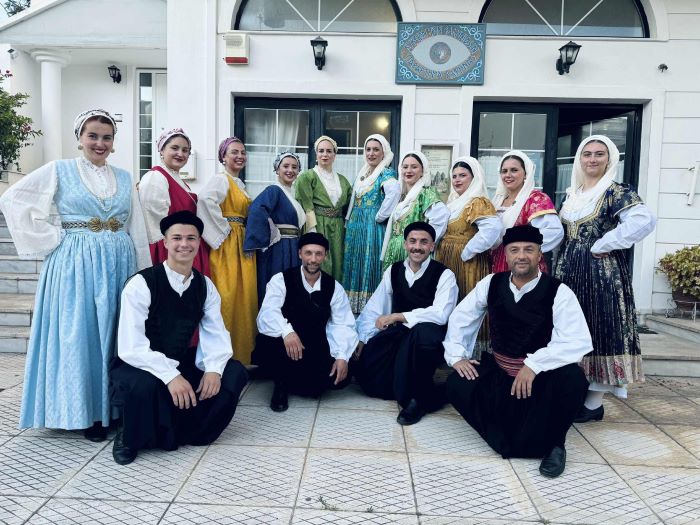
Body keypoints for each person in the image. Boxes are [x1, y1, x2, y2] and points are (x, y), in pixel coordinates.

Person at [0, 109, 150, 440]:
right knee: (81, 333)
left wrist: (143, 274)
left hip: (119, 261)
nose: (100, 143)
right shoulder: (59, 169)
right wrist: (52, 237)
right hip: (75, 265)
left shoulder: (126, 177)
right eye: (92, 136)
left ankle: (113, 408)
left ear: (114, 142)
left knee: (115, 331)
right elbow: (13, 199)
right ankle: (85, 412)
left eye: (107, 137)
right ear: (79, 138)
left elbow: (136, 227)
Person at [444, 224, 591, 478]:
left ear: (539, 255)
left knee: (573, 379)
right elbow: (461, 318)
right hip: (501, 374)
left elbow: (576, 340)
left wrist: (534, 365)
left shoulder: (558, 291)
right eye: (514, 250)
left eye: (528, 249)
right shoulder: (491, 283)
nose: (521, 256)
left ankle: (555, 444)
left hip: (539, 379)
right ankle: (508, 432)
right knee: (456, 382)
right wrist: (457, 356)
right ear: (506, 255)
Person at [110, 211, 248, 465]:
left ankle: (193, 430)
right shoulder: (141, 283)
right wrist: (171, 375)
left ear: (198, 242)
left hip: (179, 359)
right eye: (177, 238)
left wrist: (214, 370)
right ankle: (129, 435)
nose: (184, 244)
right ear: (165, 242)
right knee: (144, 385)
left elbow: (216, 334)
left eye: (191, 238)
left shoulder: (205, 286)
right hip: (140, 363)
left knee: (234, 371)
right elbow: (131, 346)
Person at [554, 135, 656, 422]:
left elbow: (643, 220)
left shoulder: (616, 191)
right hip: (569, 272)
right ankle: (576, 392)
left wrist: (605, 243)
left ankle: (593, 404)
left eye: (599, 154)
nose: (592, 159)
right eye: (587, 154)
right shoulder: (572, 195)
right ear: (579, 159)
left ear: (610, 159)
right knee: (572, 328)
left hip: (601, 274)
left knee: (600, 328)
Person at [355, 222, 458, 425]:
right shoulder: (393, 271)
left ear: (432, 246)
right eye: (413, 241)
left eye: (423, 242)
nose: (417, 247)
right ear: (405, 244)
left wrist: (398, 316)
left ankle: (418, 400)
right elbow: (376, 306)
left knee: (422, 334)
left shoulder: (444, 274)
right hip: (400, 334)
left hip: (429, 339)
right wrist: (363, 337)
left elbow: (441, 313)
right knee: (370, 378)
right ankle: (434, 392)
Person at [252, 232, 358, 412]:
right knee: (269, 342)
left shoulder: (334, 287)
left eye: (318, 254)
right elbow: (268, 312)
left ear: (325, 256)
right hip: (285, 343)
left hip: (314, 344)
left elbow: (342, 324)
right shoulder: (281, 280)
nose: (313, 259)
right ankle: (280, 386)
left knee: (337, 380)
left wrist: (341, 356)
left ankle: (290, 377)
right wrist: (287, 332)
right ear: (300, 253)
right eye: (308, 253)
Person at [198, 137, 257, 365]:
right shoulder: (220, 179)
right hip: (228, 246)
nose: (240, 156)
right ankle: (222, 358)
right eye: (234, 152)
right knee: (227, 296)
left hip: (241, 244)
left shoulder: (238, 184)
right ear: (223, 156)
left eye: (243, 152)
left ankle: (240, 356)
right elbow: (205, 200)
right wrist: (224, 231)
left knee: (244, 299)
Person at [139, 128, 210, 275]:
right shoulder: (156, 178)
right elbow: (154, 228)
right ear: (162, 150)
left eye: (185, 150)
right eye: (175, 148)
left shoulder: (177, 179)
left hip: (184, 247)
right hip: (171, 252)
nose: (181, 154)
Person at [343, 134, 400, 314]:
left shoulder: (386, 173)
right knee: (355, 261)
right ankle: (353, 307)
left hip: (371, 228)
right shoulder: (363, 173)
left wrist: (379, 216)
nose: (371, 153)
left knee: (369, 261)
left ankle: (370, 309)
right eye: (368, 149)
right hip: (356, 226)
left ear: (384, 153)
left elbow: (394, 192)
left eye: (376, 150)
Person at [243, 151, 306, 304]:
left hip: (293, 247)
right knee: (278, 288)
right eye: (286, 166)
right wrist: (269, 234)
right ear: (277, 169)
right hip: (279, 249)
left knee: (291, 289)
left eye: (294, 167)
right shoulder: (273, 190)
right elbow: (257, 210)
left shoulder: (292, 195)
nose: (290, 170)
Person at [490, 150, 563, 273]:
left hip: (524, 265)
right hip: (495, 262)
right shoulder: (497, 201)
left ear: (525, 174)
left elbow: (555, 232)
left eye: (514, 170)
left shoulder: (536, 199)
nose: (508, 175)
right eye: (504, 171)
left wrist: (525, 250)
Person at [295, 136, 352, 281]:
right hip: (318, 224)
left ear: (334, 155)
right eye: (321, 151)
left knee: (338, 264)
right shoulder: (307, 177)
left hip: (338, 227)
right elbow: (306, 205)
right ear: (316, 154)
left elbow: (349, 206)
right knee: (320, 262)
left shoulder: (343, 180)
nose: (325, 154)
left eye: (329, 151)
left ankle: (334, 293)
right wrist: (312, 231)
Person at [381, 152, 449, 270]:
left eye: (414, 167)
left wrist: (423, 244)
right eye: (405, 167)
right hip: (393, 250)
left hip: (413, 253)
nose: (408, 170)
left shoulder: (426, 193)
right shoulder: (401, 196)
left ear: (422, 171)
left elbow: (441, 217)